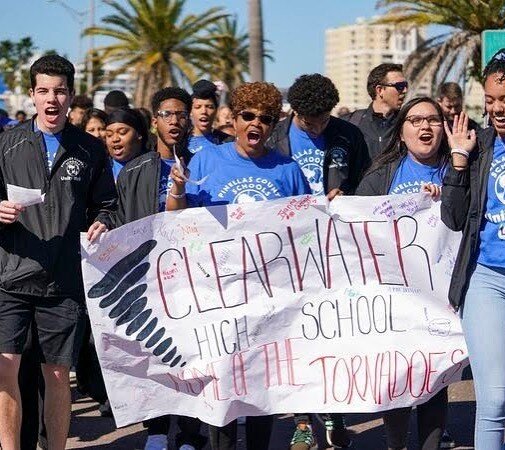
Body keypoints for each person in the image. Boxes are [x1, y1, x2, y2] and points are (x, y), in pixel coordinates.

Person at [175, 81, 310, 450]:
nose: (256, 124)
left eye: (265, 119)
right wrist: (176, 191)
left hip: (269, 292)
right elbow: (179, 221)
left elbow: (307, 229)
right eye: (247, 116)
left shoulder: (287, 169)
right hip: (218, 290)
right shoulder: (205, 161)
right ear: (233, 120)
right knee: (224, 383)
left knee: (261, 385)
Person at [0, 54, 116, 450]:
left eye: (60, 91)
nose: (52, 99)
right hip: (10, 275)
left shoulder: (90, 149)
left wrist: (103, 219)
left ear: (71, 96)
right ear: (32, 94)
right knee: (6, 370)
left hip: (64, 281)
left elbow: (107, 204)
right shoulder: (6, 143)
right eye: (44, 91)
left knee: (56, 377)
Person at [441, 48, 505, 449]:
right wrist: (459, 163)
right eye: (490, 100)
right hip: (486, 282)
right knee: (494, 399)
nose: (497, 109)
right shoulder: (478, 144)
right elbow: (453, 217)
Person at [268, 73, 369, 449]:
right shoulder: (275, 136)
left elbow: (367, 179)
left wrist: (349, 195)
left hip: (335, 247)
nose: (319, 125)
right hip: (287, 249)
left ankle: (334, 412)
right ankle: (303, 421)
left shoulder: (348, 134)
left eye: (325, 118)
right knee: (294, 335)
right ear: (296, 112)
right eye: (311, 121)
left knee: (331, 332)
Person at [356, 97, 452, 450]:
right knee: (398, 374)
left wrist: (450, 198)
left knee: (435, 375)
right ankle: (395, 444)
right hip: (394, 295)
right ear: (401, 131)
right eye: (415, 121)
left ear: (444, 128)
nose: (425, 128)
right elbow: (357, 225)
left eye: (433, 120)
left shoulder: (461, 169)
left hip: (442, 296)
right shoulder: (383, 174)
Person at [115, 87, 205, 450]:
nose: (175, 121)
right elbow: (117, 216)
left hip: (195, 280)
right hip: (148, 281)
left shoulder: (204, 164)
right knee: (155, 352)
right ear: (154, 122)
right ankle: (156, 427)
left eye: (181, 114)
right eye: (167, 114)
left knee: (193, 355)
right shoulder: (133, 171)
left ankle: (190, 431)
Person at [345, 63, 408, 160]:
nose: (405, 91)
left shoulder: (407, 123)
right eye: (400, 86)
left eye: (406, 85)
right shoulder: (350, 122)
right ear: (380, 90)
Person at [183, 79, 233, 163]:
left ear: (216, 111)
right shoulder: (180, 141)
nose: (204, 111)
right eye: (198, 107)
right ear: (190, 111)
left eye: (209, 107)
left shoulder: (228, 141)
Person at [105, 108, 148, 182]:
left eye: (122, 132)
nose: (115, 139)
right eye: (109, 135)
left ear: (138, 134)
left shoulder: (153, 165)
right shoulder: (101, 169)